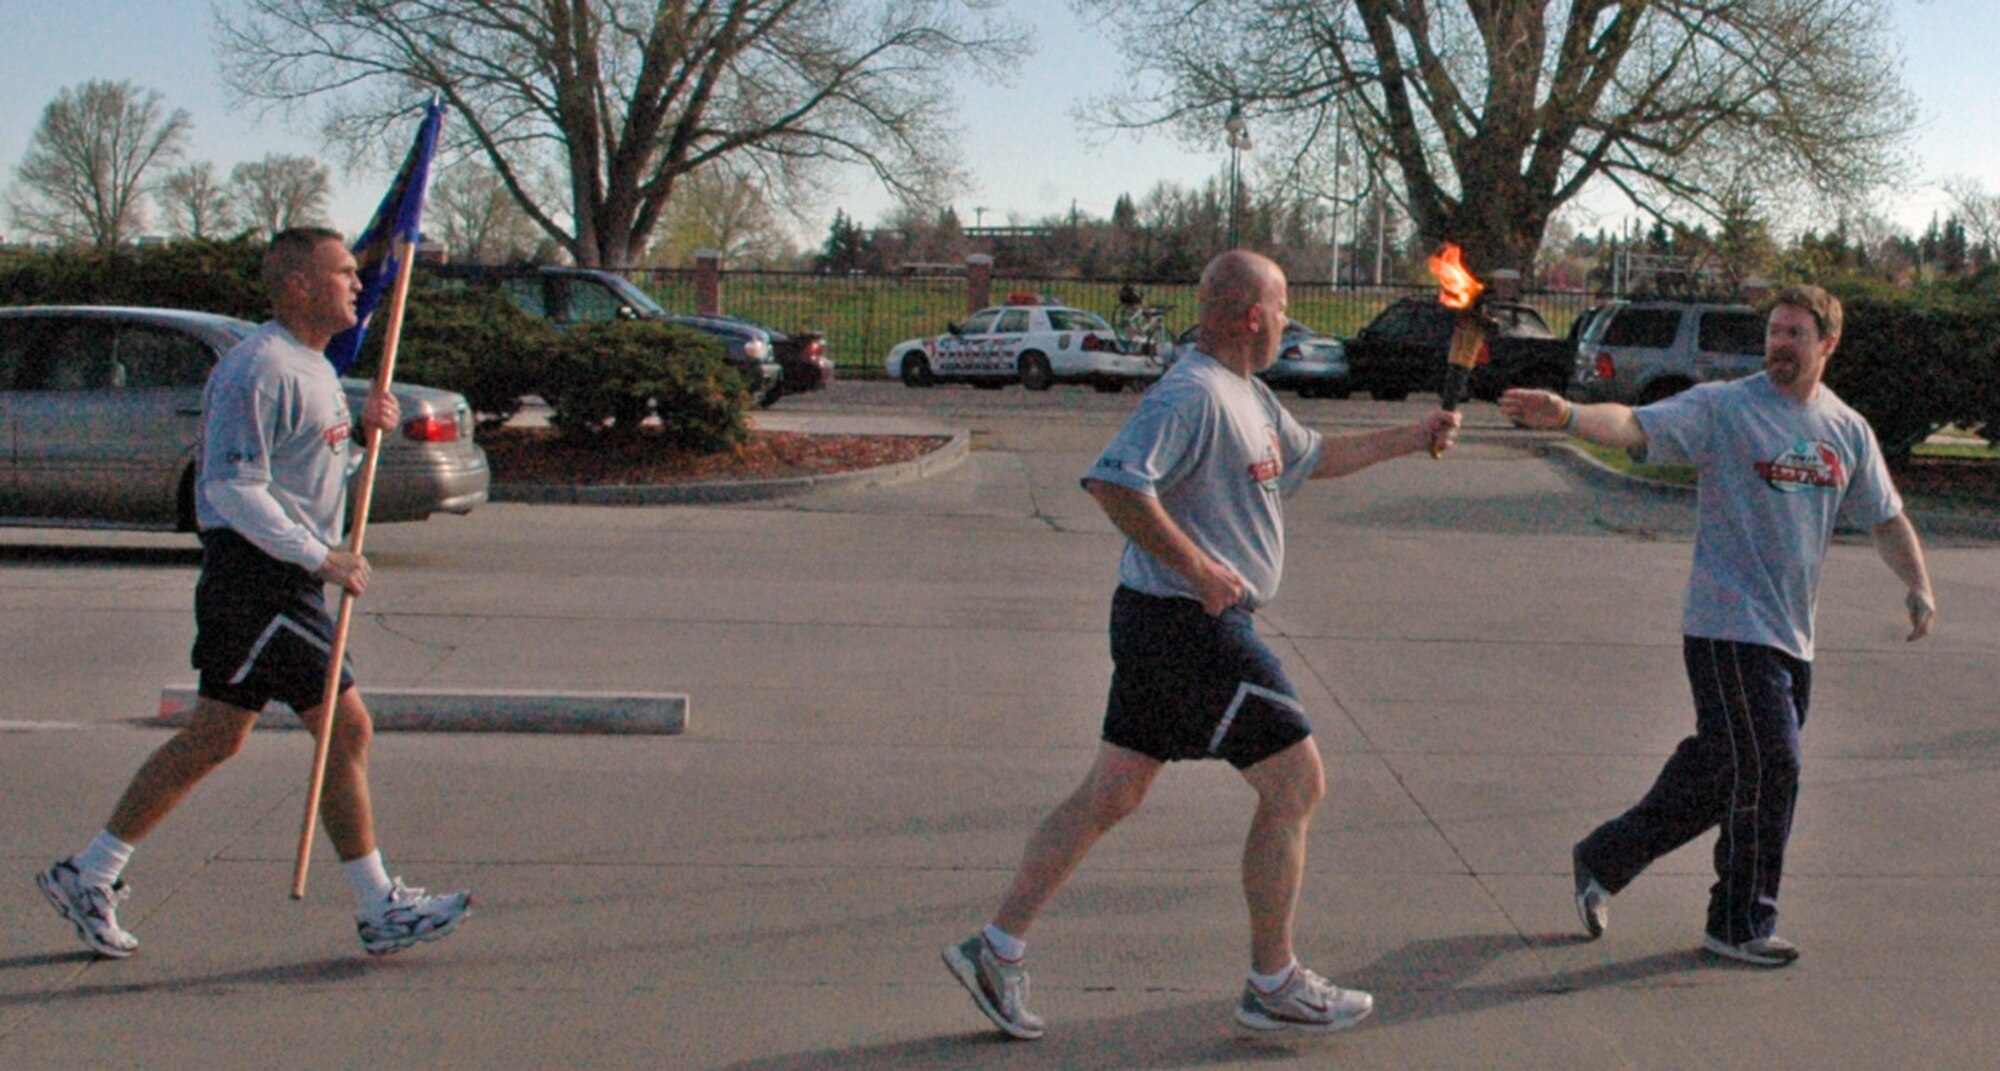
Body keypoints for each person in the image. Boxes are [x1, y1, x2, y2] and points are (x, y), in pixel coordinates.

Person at [943, 250, 1460, 1038]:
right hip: (1187, 622)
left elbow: (1313, 457)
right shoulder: (1191, 392)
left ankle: (997, 947)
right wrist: (1200, 566)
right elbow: (1116, 481)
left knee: (1111, 792)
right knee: (1295, 783)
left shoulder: (1246, 393)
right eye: (1283, 304)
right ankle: (1274, 980)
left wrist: (1413, 435)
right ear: (1251, 314)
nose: (1290, 318)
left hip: (1167, 620)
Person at [35, 227, 472, 959]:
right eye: (341, 273)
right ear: (297, 285)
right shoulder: (256, 368)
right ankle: (378, 904)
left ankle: (91, 872)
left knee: (216, 735)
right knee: (348, 726)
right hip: (259, 580)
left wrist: (364, 437)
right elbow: (232, 486)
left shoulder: (314, 367)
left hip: (279, 579)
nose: (357, 285)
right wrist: (320, 556)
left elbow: (308, 467)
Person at [1498, 284, 1935, 967]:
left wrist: (1918, 583)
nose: (1779, 344)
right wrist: (1570, 415)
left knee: (1723, 771)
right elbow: (1636, 425)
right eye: (1773, 332)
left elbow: (1884, 515)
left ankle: (1603, 857)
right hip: (1726, 625)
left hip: (1794, 637)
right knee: (1773, 764)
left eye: (1794, 333)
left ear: (1827, 344)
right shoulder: (1726, 407)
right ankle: (1739, 920)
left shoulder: (1845, 428)